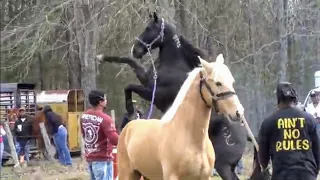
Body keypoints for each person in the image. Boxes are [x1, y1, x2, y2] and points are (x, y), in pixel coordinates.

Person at [258, 82, 320, 180]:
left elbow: (263, 156)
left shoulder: (268, 123)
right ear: (294, 99)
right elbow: (317, 150)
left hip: (282, 175)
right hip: (307, 174)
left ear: (278, 100)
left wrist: (265, 167)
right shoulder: (309, 119)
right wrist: (314, 172)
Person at [80, 90, 119, 180]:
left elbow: (83, 133)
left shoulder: (84, 115)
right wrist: (126, 138)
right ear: (100, 102)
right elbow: (115, 140)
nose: (106, 101)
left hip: (90, 157)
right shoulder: (105, 119)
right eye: (105, 99)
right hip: (102, 159)